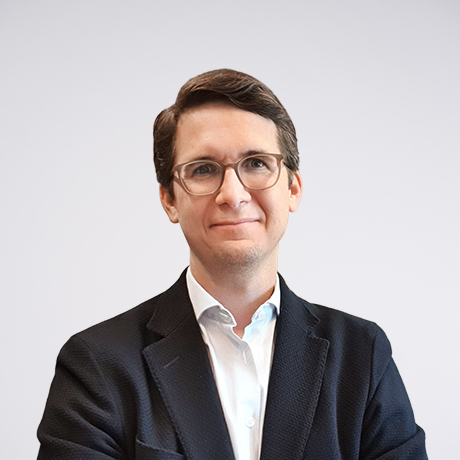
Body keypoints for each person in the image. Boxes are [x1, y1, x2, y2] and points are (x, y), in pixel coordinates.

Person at [37, 69, 427, 460]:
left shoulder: (362, 357)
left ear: (292, 188)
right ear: (169, 199)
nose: (233, 194)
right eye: (203, 169)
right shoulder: (98, 366)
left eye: (256, 163)